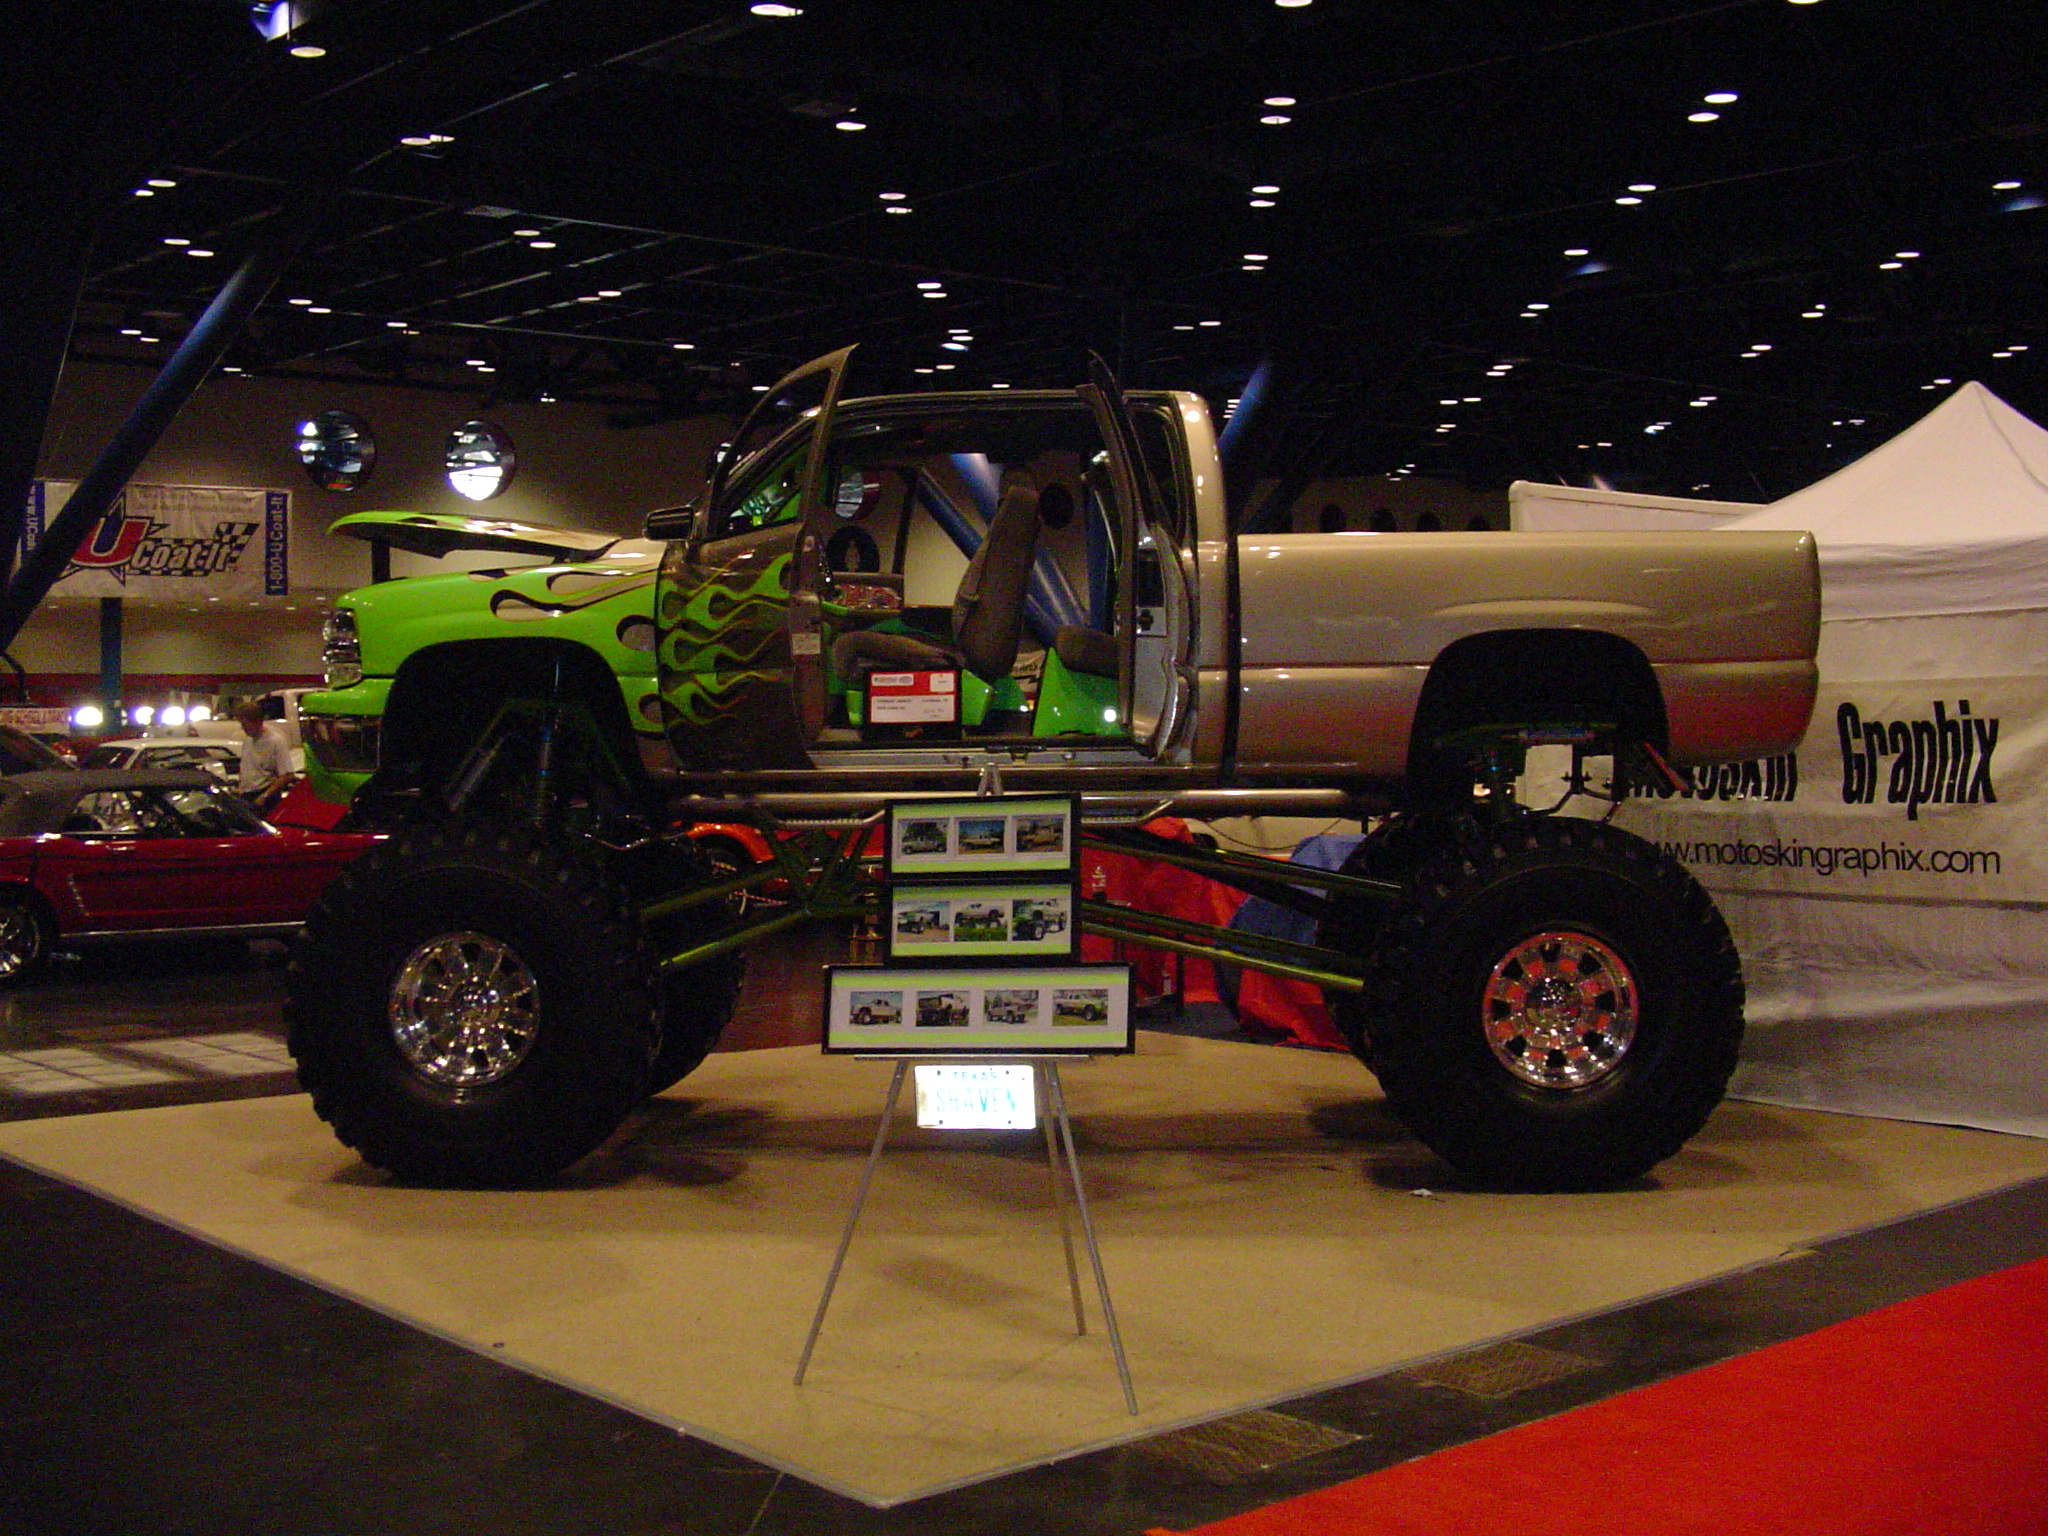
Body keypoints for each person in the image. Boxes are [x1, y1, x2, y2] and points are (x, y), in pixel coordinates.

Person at [234, 701, 292, 809]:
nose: (242, 728)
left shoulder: (276, 741)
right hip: (247, 795)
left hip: (265, 798)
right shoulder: (248, 740)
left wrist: (264, 796)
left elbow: (287, 775)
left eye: (245, 724)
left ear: (256, 722)